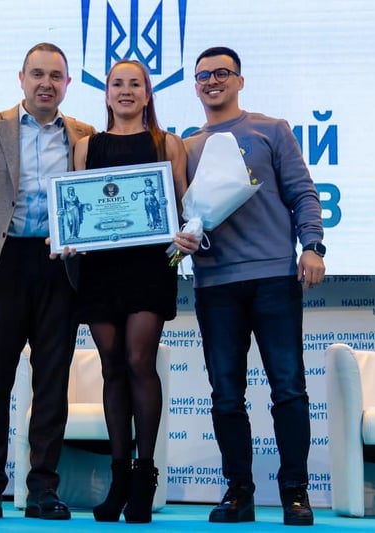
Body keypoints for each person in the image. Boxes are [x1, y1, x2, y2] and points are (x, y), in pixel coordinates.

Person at [0, 42, 96, 521]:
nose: (46, 83)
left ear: (67, 84)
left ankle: (43, 488)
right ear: (22, 78)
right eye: (38, 74)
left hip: (60, 267)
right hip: (2, 264)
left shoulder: (84, 134)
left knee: (52, 383)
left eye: (55, 76)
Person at [183, 46, 325, 526]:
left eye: (222, 72)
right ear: (195, 86)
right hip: (215, 283)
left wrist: (312, 246)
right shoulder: (186, 146)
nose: (212, 81)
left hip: (274, 278)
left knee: (289, 389)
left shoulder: (272, 129)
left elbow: (303, 192)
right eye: (203, 75)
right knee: (226, 394)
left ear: (240, 80)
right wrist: (181, 238)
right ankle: (238, 493)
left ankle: (295, 493)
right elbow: (182, 214)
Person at [72, 59, 198, 524]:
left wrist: (186, 239)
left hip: (150, 268)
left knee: (139, 361)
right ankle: (119, 477)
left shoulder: (168, 143)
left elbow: (185, 208)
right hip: (100, 268)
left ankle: (145, 476)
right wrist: (70, 237)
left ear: (148, 94)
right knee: (111, 367)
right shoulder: (86, 147)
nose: (126, 91)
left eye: (135, 84)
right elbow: (77, 204)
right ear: (106, 93)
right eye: (117, 84)